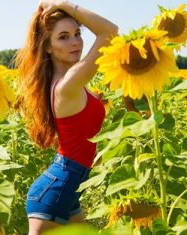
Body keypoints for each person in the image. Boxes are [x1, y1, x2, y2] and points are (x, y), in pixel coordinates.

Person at [15, 1, 118, 234]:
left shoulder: (67, 81)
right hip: (57, 190)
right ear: (48, 47)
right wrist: (65, 5)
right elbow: (110, 33)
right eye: (63, 37)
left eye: (78, 33)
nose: (75, 42)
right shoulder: (68, 84)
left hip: (67, 188)